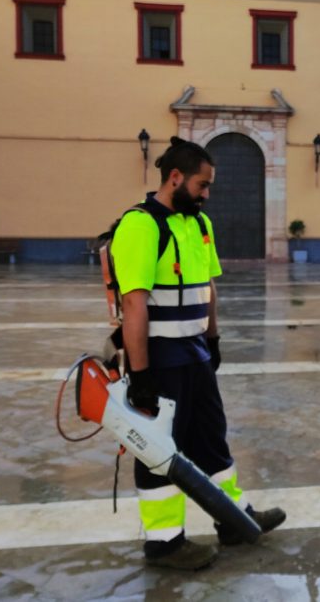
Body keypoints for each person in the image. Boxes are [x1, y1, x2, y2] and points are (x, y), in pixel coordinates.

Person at [110, 136, 285, 570]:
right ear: (175, 178)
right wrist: (141, 373)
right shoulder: (141, 225)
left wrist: (213, 339)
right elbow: (133, 303)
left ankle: (232, 519)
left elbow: (209, 287)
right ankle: (165, 542)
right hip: (160, 358)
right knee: (158, 449)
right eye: (202, 185)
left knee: (211, 439)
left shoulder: (198, 224)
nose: (207, 194)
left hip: (194, 354)